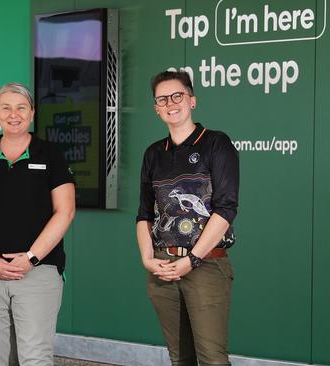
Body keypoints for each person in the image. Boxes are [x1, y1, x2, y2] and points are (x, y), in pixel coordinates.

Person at [0, 82, 75, 366]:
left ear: (32, 113)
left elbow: (65, 212)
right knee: (1, 358)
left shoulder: (50, 155)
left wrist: (31, 258)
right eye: (6, 107)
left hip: (38, 272)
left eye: (21, 107)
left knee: (34, 357)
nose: (14, 114)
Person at [136, 70, 239, 366]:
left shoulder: (217, 144)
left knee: (212, 360)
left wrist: (192, 260)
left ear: (192, 100)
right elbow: (144, 214)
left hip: (205, 265)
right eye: (162, 99)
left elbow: (225, 209)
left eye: (177, 95)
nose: (171, 103)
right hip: (163, 267)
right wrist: (147, 258)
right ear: (156, 108)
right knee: (180, 358)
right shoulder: (153, 154)